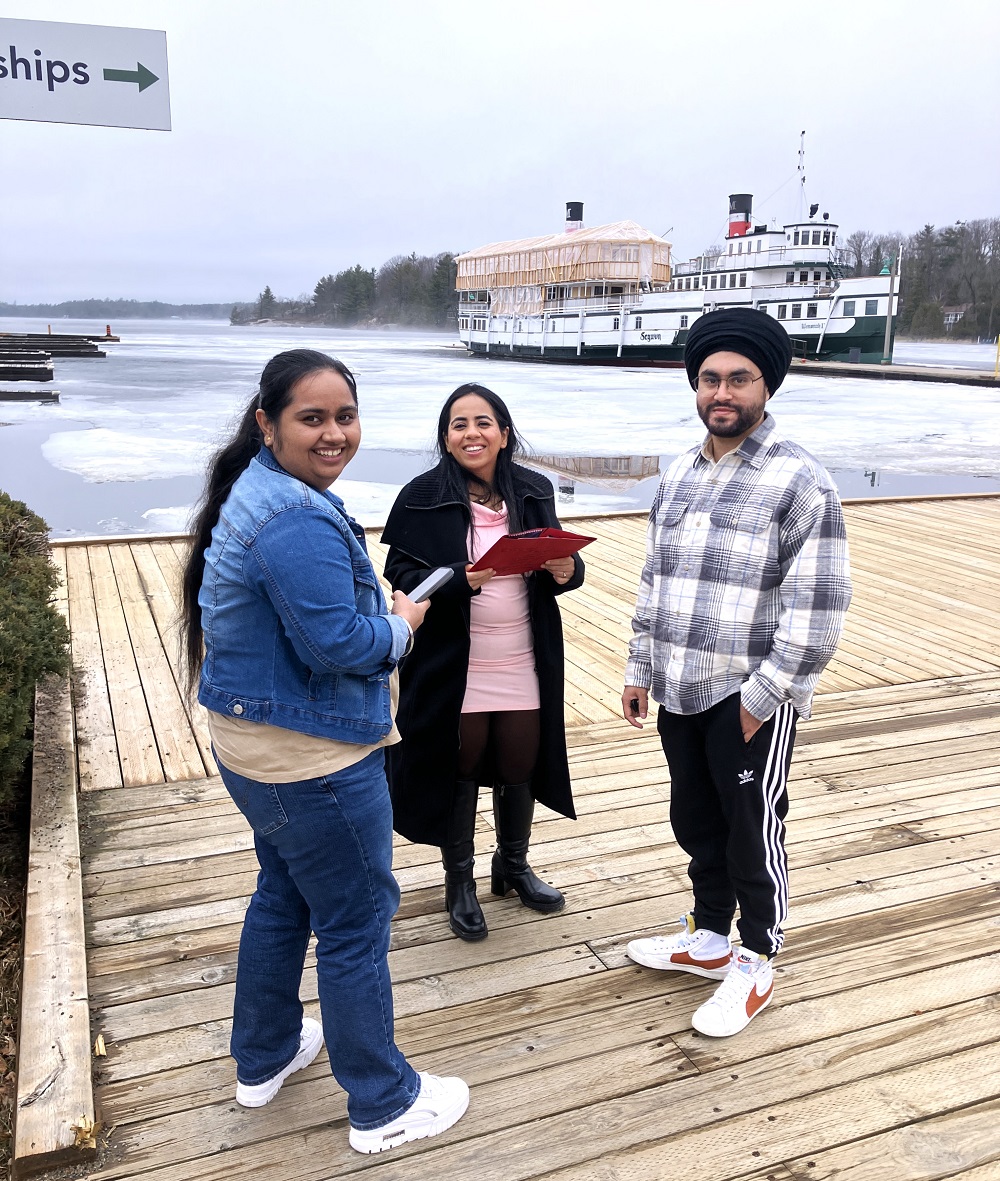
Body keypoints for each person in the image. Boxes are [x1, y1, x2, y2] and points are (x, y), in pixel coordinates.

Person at [180, 349, 468, 1153]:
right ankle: (382, 1100)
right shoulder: (294, 516)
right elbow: (340, 645)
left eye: (345, 415)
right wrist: (402, 625)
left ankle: (265, 1053)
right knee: (356, 919)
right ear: (268, 423)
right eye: (312, 417)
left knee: (284, 893)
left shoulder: (261, 489)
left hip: (256, 748)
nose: (334, 432)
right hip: (313, 761)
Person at [621, 309, 852, 1038]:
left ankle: (756, 957)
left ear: (766, 386)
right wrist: (641, 665)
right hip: (680, 683)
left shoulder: (799, 480)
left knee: (752, 829)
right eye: (710, 378)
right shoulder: (679, 474)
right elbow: (656, 579)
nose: (722, 392)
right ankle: (710, 936)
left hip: (748, 693)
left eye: (739, 378)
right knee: (696, 819)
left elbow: (819, 606)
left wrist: (764, 696)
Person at [381, 383, 584, 941]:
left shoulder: (533, 489)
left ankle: (513, 866)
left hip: (523, 655)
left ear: (504, 433)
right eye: (459, 424)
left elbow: (559, 561)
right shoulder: (422, 495)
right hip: (457, 663)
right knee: (462, 769)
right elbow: (401, 577)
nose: (472, 433)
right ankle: (460, 882)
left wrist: (568, 571)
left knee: (520, 765)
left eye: (483, 422)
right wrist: (458, 579)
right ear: (446, 438)